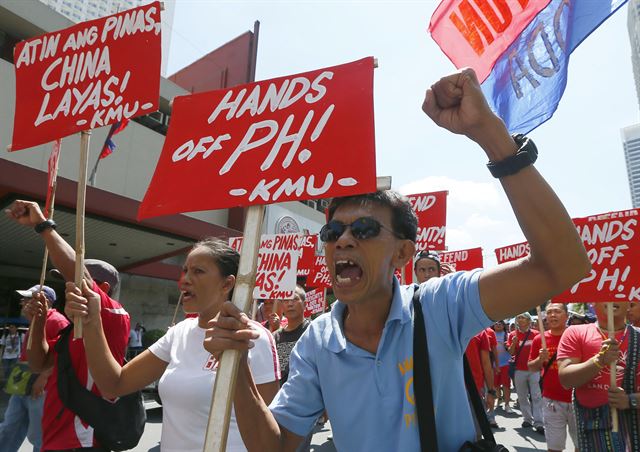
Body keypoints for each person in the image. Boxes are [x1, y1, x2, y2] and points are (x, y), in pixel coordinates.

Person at [203, 68, 590, 451]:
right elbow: (276, 446)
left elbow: (562, 266)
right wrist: (236, 370)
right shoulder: (318, 342)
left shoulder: (441, 305)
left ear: (403, 252)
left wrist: (490, 135)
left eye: (365, 230)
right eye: (333, 233)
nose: (345, 241)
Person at [65, 238, 281, 452]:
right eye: (185, 271)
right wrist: (92, 321)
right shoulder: (179, 333)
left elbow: (268, 443)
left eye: (198, 271)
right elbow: (114, 384)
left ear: (227, 283)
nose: (185, 280)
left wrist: (238, 362)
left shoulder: (253, 337)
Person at [6, 199, 131, 451]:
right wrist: (39, 322)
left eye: (74, 279)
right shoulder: (73, 327)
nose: (69, 286)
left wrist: (43, 226)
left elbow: (79, 279)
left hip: (82, 442)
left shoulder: (114, 315)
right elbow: (38, 363)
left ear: (103, 289)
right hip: (54, 439)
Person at [558, 302, 640, 450]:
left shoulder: (638, 337)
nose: (612, 299)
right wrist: (599, 361)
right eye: (606, 294)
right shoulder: (575, 332)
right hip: (594, 432)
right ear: (593, 303)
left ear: (628, 303)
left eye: (619, 294)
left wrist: (630, 400)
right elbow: (566, 380)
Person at [0, 285, 69, 452]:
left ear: (44, 301)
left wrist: (44, 377)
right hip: (23, 382)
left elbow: (63, 354)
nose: (23, 302)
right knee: (10, 427)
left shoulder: (57, 321)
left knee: (40, 435)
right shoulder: (35, 321)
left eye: (29, 298)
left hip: (41, 387)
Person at [528, 303, 576, 451]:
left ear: (567, 316)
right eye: (549, 312)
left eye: (557, 311)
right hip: (551, 401)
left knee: (582, 445)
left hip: (578, 400)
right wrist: (539, 359)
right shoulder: (539, 339)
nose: (553, 315)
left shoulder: (577, 335)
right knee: (554, 447)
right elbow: (531, 366)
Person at [508, 312, 543, 432]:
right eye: (518, 317)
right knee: (522, 396)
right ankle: (527, 419)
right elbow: (511, 353)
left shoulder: (537, 334)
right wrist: (513, 342)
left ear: (529, 321)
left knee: (536, 396)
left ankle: (539, 422)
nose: (520, 319)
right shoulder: (513, 334)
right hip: (519, 370)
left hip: (534, 370)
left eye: (523, 317)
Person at [273, 286, 311, 386]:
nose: (290, 304)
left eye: (294, 299)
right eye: (286, 300)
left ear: (305, 304)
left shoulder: (313, 332)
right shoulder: (275, 337)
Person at [465, 330, 497, 427]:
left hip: (472, 387)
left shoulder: (481, 333)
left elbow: (486, 363)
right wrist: (491, 392)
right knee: (476, 430)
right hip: (472, 388)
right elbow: (486, 363)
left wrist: (491, 392)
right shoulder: (479, 332)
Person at [492, 321, 513, 413]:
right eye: (496, 323)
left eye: (500, 323)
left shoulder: (507, 335)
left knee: (506, 384)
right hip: (494, 364)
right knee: (495, 384)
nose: (498, 324)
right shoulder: (490, 334)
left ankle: (507, 404)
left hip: (506, 363)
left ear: (503, 325)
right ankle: (499, 398)